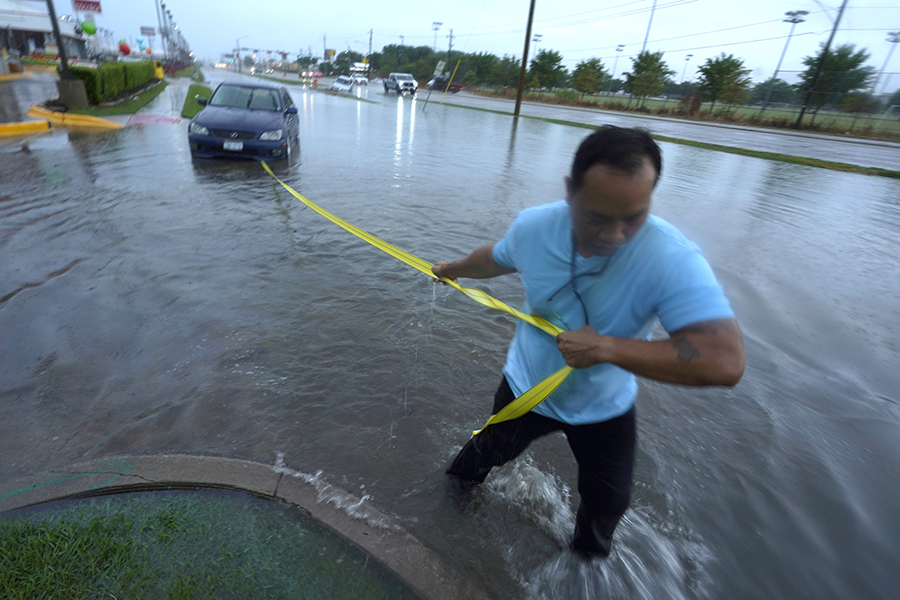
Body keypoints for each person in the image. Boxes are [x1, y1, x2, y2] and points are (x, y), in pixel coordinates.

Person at [432, 125, 745, 559]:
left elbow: (726, 359)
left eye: (633, 217)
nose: (614, 235)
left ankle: (583, 567)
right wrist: (453, 269)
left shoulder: (670, 257)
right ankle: (444, 521)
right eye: (597, 216)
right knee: (479, 458)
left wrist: (607, 349)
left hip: (606, 405)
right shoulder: (535, 228)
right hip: (529, 387)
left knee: (608, 503)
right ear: (570, 191)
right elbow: (496, 257)